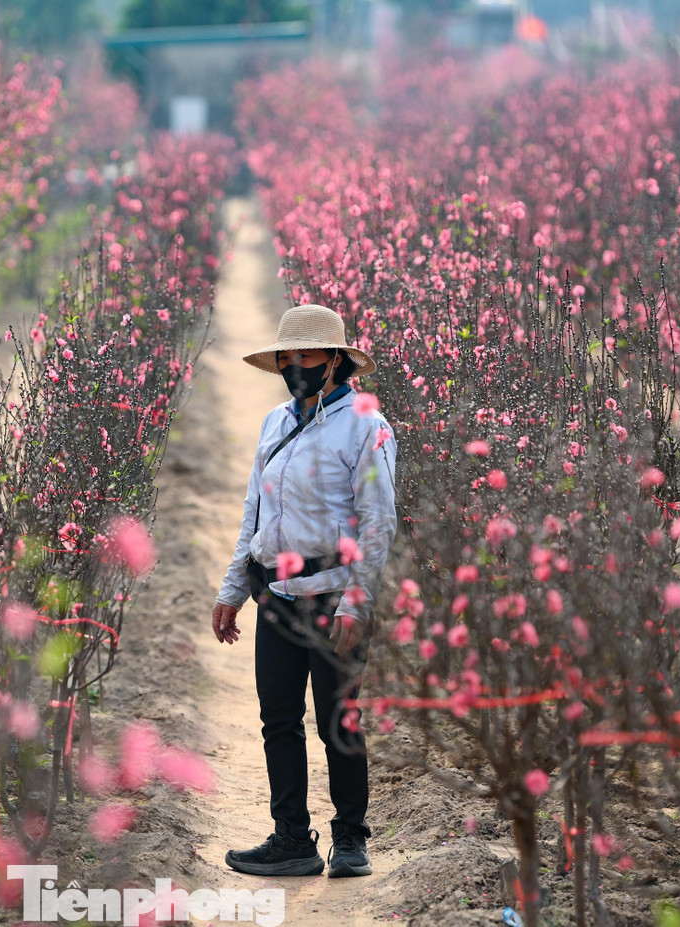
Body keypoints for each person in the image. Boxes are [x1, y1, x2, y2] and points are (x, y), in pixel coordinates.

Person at [211, 304, 398, 878]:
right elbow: (255, 512)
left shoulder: (366, 424)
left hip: (333, 596)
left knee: (338, 720)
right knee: (279, 720)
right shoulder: (275, 422)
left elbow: (378, 521)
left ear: (337, 361)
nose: (297, 367)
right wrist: (234, 587)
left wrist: (357, 604)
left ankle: (350, 839)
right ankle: (292, 837)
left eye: (309, 357)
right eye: (288, 357)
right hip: (277, 598)